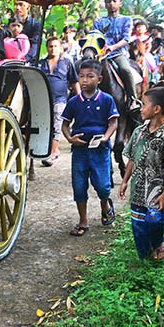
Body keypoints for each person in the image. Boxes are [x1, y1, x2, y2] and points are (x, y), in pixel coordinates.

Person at [119, 87, 164, 260]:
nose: (140, 108)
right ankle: (144, 257)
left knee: (155, 220)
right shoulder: (138, 132)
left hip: (156, 190)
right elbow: (132, 157)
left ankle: (157, 243)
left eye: (144, 104)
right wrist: (125, 180)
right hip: (138, 189)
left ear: (156, 109)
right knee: (138, 224)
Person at [61, 59, 119, 237]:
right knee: (79, 186)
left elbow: (113, 122)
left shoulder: (107, 99)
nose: (85, 80)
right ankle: (83, 221)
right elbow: (65, 124)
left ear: (99, 79)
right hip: (80, 150)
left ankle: (105, 204)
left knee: (102, 185)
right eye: (81, 77)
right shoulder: (74, 101)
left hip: (100, 149)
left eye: (90, 76)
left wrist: (105, 138)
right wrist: (71, 138)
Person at [92, 0, 140, 110]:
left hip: (118, 53)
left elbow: (126, 39)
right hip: (101, 55)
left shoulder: (126, 20)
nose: (111, 3)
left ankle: (132, 99)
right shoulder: (98, 21)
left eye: (114, 1)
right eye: (109, 1)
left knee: (125, 69)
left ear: (120, 4)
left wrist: (112, 48)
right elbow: (95, 37)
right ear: (106, 4)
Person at [38, 37, 80, 166]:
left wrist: (80, 98)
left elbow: (74, 81)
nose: (53, 49)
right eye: (50, 46)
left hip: (60, 98)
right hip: (43, 98)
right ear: (47, 48)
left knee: (57, 124)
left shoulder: (66, 62)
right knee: (45, 125)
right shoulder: (40, 63)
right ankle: (48, 149)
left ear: (61, 48)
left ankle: (52, 152)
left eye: (55, 46)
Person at [9, 0, 41, 64]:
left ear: (28, 7)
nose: (17, 8)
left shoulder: (35, 25)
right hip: (10, 61)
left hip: (29, 62)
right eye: (16, 5)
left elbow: (35, 45)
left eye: (21, 5)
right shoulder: (9, 24)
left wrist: (24, 60)